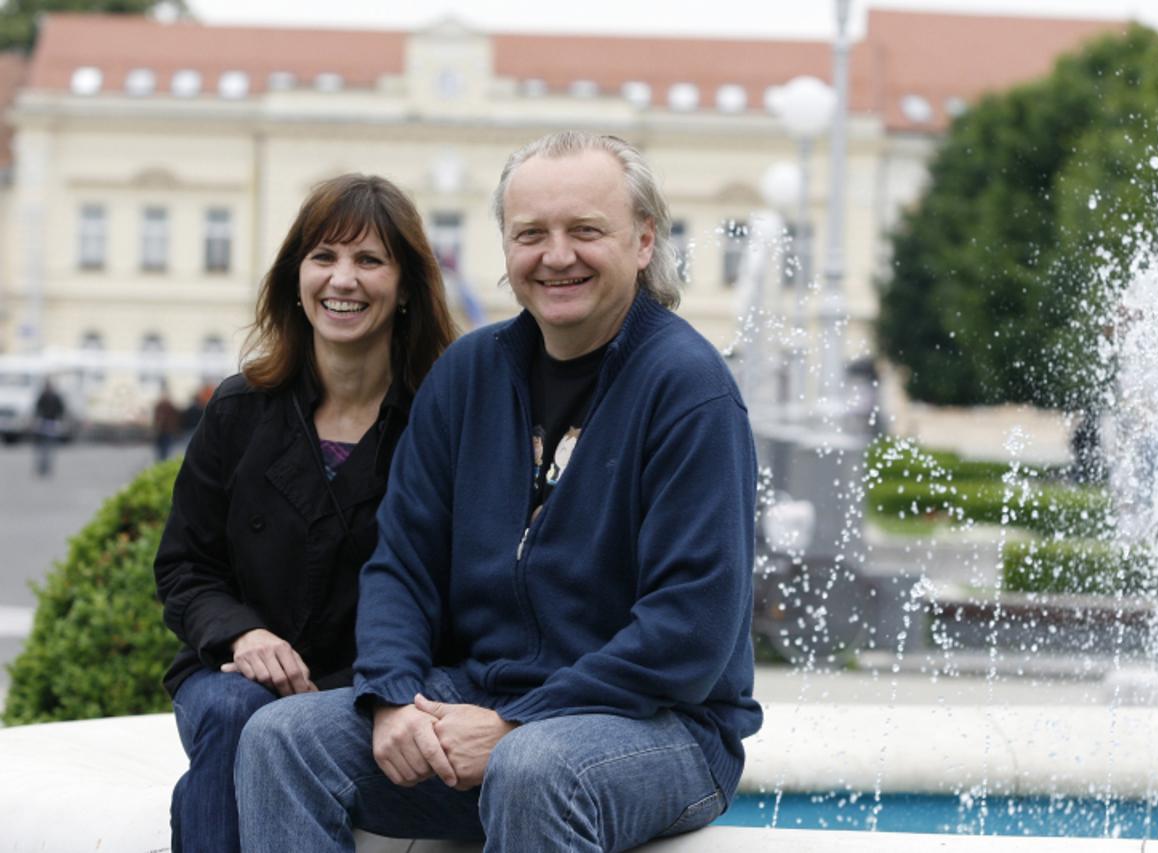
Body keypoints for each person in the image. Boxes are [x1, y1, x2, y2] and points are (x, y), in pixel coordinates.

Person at [235, 131, 762, 852]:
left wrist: (520, 723)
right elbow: (402, 564)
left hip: (663, 727)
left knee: (534, 766)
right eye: (530, 234)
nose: (556, 255)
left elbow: (689, 629)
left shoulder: (688, 389)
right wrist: (391, 696)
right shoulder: (467, 374)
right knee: (280, 738)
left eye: (585, 230)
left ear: (642, 241)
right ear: (506, 248)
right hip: (483, 698)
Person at [153, 173, 458, 853]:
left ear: (406, 285)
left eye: (368, 260)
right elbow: (184, 567)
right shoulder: (238, 410)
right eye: (323, 256)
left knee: (251, 753)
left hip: (367, 693)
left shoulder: (441, 424)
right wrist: (243, 636)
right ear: (296, 276)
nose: (341, 279)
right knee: (237, 713)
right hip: (230, 677)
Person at [32, 378, 65, 477]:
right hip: (44, 422)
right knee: (43, 447)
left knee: (49, 447)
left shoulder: (55, 397)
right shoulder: (43, 396)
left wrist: (59, 419)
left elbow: (61, 409)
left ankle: (47, 468)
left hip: (52, 422)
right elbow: (37, 408)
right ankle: (42, 468)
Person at [153, 382, 182, 461]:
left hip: (164, 432)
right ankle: (163, 463)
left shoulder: (161, 406)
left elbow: (157, 420)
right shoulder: (168, 406)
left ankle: (162, 463)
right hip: (165, 432)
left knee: (163, 451)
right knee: (164, 450)